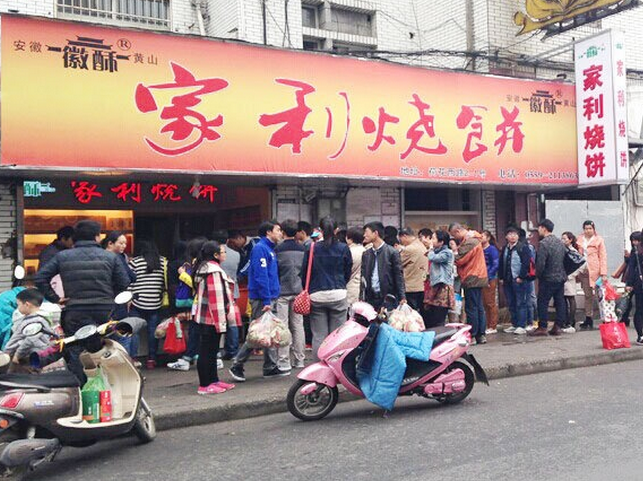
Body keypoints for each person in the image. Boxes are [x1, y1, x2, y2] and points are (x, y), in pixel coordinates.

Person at [34, 220, 131, 383]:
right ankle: (106, 384)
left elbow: (40, 277)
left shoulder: (63, 256)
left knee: (75, 349)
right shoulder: (110, 257)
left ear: (75, 237)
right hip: (103, 311)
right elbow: (124, 282)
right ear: (97, 237)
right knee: (103, 346)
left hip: (75, 310)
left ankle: (80, 386)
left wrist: (56, 299)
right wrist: (108, 296)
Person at [229, 220, 283, 382]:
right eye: (278, 230)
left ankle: (270, 366)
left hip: (269, 296)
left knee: (269, 332)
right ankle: (237, 364)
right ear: (268, 232)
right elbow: (261, 276)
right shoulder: (261, 249)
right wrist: (267, 299)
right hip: (262, 298)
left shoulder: (268, 249)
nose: (280, 233)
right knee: (257, 333)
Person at [301, 217, 352, 361]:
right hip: (338, 294)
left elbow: (304, 273)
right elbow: (347, 271)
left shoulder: (311, 247)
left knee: (318, 335)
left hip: (317, 294)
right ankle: (336, 364)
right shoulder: (343, 248)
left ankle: (319, 367)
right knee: (337, 334)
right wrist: (342, 283)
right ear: (336, 230)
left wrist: (309, 289)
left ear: (320, 231)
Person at [192, 241, 236, 394]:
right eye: (222, 252)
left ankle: (214, 380)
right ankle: (205, 384)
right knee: (207, 351)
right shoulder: (213, 271)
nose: (225, 254)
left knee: (211, 350)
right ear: (216, 255)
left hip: (206, 317)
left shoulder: (207, 268)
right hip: (212, 318)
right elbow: (216, 299)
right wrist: (221, 323)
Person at [167, 237, 207, 372]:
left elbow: (197, 284)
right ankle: (192, 356)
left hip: (200, 302)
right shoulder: (196, 263)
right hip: (197, 303)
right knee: (195, 330)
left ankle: (190, 358)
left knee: (197, 331)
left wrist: (183, 275)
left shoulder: (201, 265)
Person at [128, 240, 167, 370]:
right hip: (155, 302)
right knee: (153, 332)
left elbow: (129, 282)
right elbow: (163, 282)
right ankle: (152, 359)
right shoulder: (163, 262)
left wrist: (129, 297)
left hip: (137, 301)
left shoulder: (135, 262)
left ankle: (133, 358)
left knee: (134, 331)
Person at [274, 219, 306, 370]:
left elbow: (275, 271)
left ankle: (284, 360)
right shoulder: (302, 249)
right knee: (298, 325)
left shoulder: (278, 250)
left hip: (282, 291)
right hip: (299, 291)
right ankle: (299, 359)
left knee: (283, 326)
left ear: (283, 231)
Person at [449, 223, 488, 344]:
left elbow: (459, 259)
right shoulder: (474, 239)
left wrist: (454, 252)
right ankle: (481, 334)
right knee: (479, 307)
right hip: (478, 276)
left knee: (472, 308)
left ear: (457, 231)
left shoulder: (470, 242)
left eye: (454, 235)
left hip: (472, 276)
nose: (455, 238)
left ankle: (474, 334)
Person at [530, 219, 567, 337]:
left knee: (542, 302)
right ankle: (558, 326)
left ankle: (543, 327)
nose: (538, 231)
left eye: (539, 228)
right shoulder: (560, 242)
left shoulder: (544, 243)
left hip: (548, 278)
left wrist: (537, 275)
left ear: (544, 228)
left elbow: (540, 263)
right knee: (560, 301)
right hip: (560, 277)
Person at [360, 221, 406, 310]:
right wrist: (362, 297)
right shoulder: (366, 254)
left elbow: (398, 275)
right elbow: (363, 277)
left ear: (375, 233)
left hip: (388, 297)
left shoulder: (392, 252)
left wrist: (402, 297)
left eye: (366, 232)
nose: (364, 235)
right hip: (370, 298)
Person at [5, 289, 52, 366]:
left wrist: (17, 355)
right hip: (23, 355)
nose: (18, 308)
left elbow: (30, 340)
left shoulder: (35, 321)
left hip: (27, 357)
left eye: (18, 305)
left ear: (27, 304)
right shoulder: (34, 318)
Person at [499, 226, 532, 335]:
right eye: (510, 234)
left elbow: (526, 264)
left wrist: (521, 277)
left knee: (520, 302)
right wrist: (501, 277)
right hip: (507, 280)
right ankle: (514, 324)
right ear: (506, 236)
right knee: (511, 303)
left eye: (515, 234)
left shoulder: (523, 247)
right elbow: (501, 263)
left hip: (518, 280)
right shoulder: (505, 248)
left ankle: (521, 325)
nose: (512, 236)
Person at [577, 220, 608, 330]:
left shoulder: (599, 240)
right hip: (584, 271)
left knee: (601, 295)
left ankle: (605, 318)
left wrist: (603, 273)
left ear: (594, 229)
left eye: (590, 228)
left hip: (596, 271)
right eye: (586, 228)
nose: (588, 230)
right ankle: (588, 317)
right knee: (588, 295)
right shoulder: (579, 240)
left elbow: (603, 256)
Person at [424, 230, 455, 328]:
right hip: (435, 286)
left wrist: (431, 249)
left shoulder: (447, 252)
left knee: (439, 316)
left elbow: (434, 258)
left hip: (443, 287)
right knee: (432, 314)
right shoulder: (438, 252)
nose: (431, 241)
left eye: (433, 238)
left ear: (441, 242)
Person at [219, 233, 241, 360]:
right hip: (233, 290)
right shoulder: (236, 254)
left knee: (219, 320)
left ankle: (220, 350)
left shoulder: (214, 254)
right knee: (233, 321)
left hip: (219, 290)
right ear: (227, 240)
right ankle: (233, 349)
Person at [398, 227, 428, 312]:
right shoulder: (421, 245)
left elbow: (397, 263)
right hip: (421, 285)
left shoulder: (410, 249)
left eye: (401, 239)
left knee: (411, 315)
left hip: (411, 286)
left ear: (404, 236)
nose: (401, 242)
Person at [562, 232, 583, 332]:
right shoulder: (563, 250)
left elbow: (582, 264)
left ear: (570, 240)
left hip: (569, 279)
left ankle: (571, 321)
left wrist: (571, 275)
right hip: (563, 278)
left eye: (565, 239)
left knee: (571, 298)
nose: (563, 241)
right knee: (564, 299)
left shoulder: (572, 251)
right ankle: (566, 320)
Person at [626, 233, 643, 345]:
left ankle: (640, 336)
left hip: (638, 281)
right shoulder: (636, 250)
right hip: (639, 282)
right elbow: (631, 267)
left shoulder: (636, 250)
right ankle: (640, 335)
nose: (634, 243)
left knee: (640, 309)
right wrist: (629, 283)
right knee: (640, 308)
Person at [481, 230, 499, 334]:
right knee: (484, 303)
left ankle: (493, 325)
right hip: (481, 278)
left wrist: (488, 276)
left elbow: (495, 265)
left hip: (490, 278)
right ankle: (487, 324)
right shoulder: (479, 249)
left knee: (490, 302)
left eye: (483, 236)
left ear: (488, 238)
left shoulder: (492, 249)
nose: (481, 238)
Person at [345, 227, 365, 307]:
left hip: (350, 287)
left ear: (349, 239)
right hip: (362, 288)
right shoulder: (366, 251)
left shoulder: (348, 252)